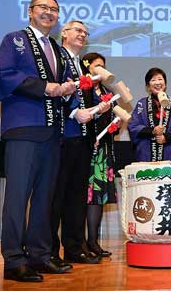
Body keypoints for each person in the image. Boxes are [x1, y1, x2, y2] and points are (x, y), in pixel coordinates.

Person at [0, 0, 76, 282]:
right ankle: (14, 260)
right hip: (24, 129)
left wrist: (66, 89)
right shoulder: (14, 39)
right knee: (18, 197)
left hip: (52, 132)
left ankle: (40, 255)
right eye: (43, 8)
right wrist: (47, 88)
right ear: (30, 12)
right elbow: (5, 75)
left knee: (45, 198)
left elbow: (61, 87)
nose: (49, 13)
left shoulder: (56, 47)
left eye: (54, 9)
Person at [50, 21, 109, 266]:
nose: (82, 35)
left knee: (76, 198)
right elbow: (54, 93)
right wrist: (74, 114)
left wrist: (98, 109)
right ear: (64, 33)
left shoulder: (80, 66)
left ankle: (75, 248)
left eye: (85, 33)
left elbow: (83, 105)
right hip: (64, 137)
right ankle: (50, 251)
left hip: (83, 140)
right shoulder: (57, 58)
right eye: (77, 30)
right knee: (56, 196)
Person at [82, 52, 118, 258]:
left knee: (97, 198)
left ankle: (93, 241)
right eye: (97, 66)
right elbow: (80, 115)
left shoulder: (107, 91)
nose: (102, 69)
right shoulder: (83, 88)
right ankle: (80, 243)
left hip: (103, 150)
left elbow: (110, 118)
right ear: (88, 68)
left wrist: (115, 124)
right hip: (86, 149)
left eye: (103, 65)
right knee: (83, 197)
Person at [128, 67, 171, 162]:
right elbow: (133, 126)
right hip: (147, 152)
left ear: (165, 84)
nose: (157, 83)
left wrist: (166, 137)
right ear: (148, 86)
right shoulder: (141, 104)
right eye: (153, 80)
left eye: (160, 79)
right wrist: (152, 131)